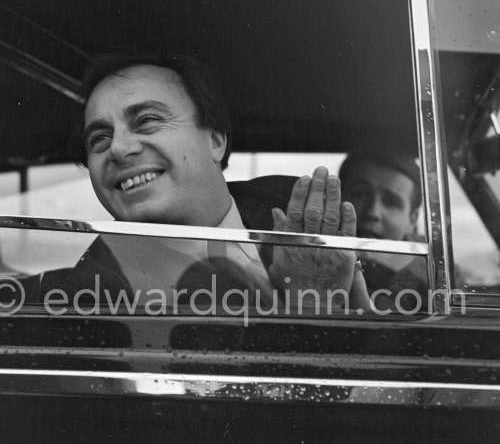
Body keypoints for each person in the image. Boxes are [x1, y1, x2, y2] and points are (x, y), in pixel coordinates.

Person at [55, 52, 369, 312]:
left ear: (216, 141)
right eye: (99, 138)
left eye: (146, 121)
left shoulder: (293, 204)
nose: (119, 149)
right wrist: (313, 307)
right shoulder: (89, 298)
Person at [338, 150, 427, 311]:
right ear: (339, 199)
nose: (373, 212)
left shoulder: (434, 283)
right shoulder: (305, 266)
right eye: (360, 194)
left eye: (391, 202)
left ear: (412, 218)